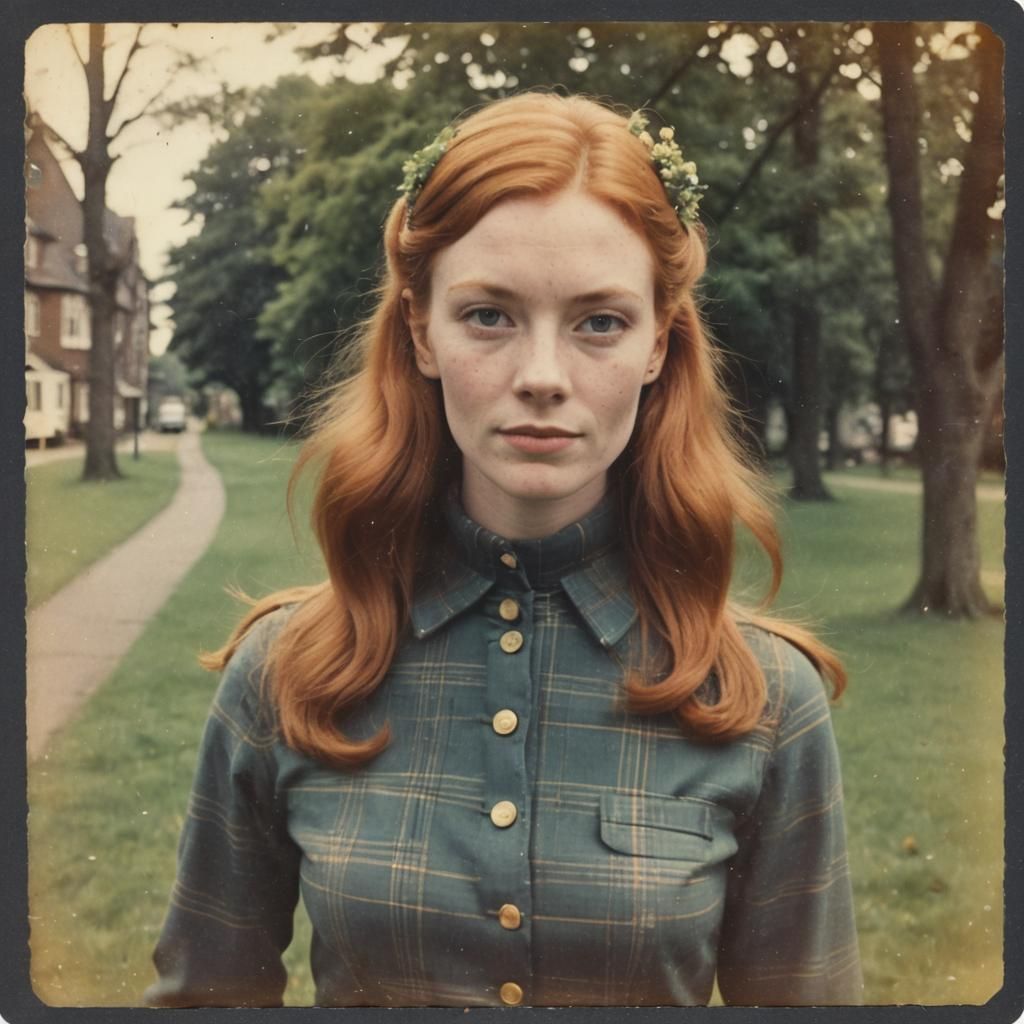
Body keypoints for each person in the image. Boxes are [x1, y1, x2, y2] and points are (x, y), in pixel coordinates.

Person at [145, 91, 862, 1008]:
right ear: (421, 329)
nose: (541, 378)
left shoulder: (761, 701)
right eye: (489, 315)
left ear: (657, 345)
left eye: (599, 321)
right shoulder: (284, 674)